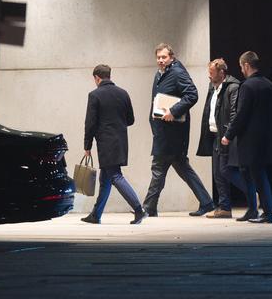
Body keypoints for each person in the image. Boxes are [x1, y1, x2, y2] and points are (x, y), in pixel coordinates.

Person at [142, 43, 214, 217]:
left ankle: (148, 207)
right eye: (158, 57)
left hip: (172, 133)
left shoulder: (177, 72)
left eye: (164, 57)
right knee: (182, 167)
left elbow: (192, 94)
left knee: (158, 168)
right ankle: (207, 202)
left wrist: (173, 111)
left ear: (171, 57)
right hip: (163, 131)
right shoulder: (160, 74)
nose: (160, 60)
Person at [81, 64, 147, 225]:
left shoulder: (94, 95)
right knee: (106, 179)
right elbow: (130, 120)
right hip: (121, 141)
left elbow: (90, 123)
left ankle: (139, 210)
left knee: (115, 176)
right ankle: (96, 215)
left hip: (105, 143)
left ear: (97, 78)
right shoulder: (123, 93)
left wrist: (87, 145)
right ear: (109, 76)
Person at [222, 51, 272, 223]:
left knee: (258, 175)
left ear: (246, 65)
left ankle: (268, 213)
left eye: (241, 66)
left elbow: (241, 114)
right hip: (266, 136)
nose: (241, 70)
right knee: (247, 172)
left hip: (250, 139)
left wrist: (228, 135)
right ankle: (252, 209)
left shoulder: (247, 86)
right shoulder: (269, 85)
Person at [196, 58, 252, 219]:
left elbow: (234, 112)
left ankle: (253, 192)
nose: (209, 76)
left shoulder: (232, 87)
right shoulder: (213, 87)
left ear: (222, 72)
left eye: (212, 73)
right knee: (217, 174)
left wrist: (229, 134)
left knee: (226, 170)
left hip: (225, 135)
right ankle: (225, 207)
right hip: (214, 135)